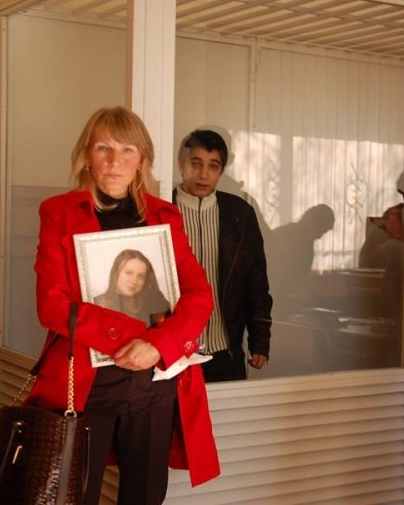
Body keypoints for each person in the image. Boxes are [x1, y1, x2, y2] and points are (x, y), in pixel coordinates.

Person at [24, 106, 220, 505]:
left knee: (145, 496)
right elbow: (52, 306)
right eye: (104, 148)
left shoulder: (164, 217)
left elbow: (199, 296)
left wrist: (158, 345)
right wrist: (134, 336)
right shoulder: (59, 213)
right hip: (86, 385)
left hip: (154, 383)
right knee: (72, 496)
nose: (115, 161)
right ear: (87, 156)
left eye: (127, 150)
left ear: (142, 160)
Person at [172, 128, 273, 382]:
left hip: (224, 351)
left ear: (221, 171)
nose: (204, 174)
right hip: (173, 350)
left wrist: (260, 339)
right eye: (196, 164)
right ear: (181, 165)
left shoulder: (239, 214)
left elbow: (256, 282)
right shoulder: (163, 208)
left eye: (213, 166)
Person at [266, 203, 335, 318]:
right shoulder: (286, 237)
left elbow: (300, 277)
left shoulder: (305, 243)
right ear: (314, 224)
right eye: (321, 231)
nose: (320, 237)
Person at [93, 248, 170, 325]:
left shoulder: (154, 302)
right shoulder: (97, 304)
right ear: (115, 274)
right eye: (129, 273)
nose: (134, 281)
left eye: (140, 276)